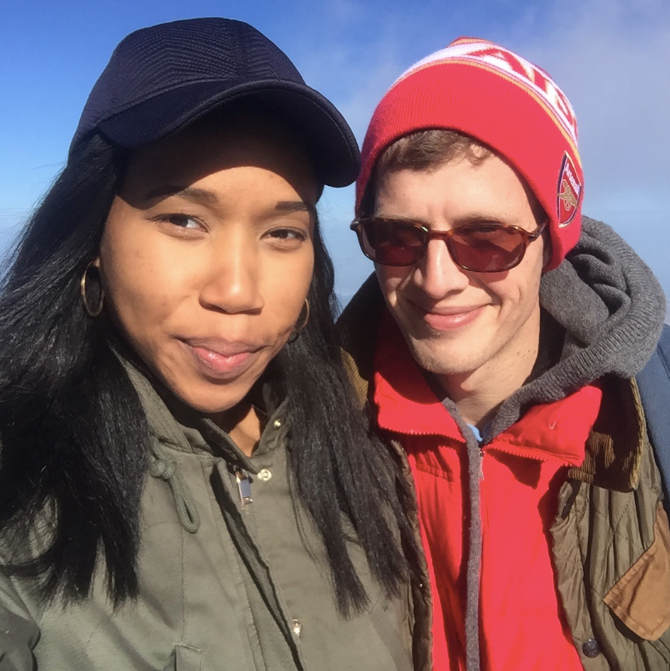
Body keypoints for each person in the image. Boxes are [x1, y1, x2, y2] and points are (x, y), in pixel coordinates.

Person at [0, 18, 424, 671]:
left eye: (282, 232)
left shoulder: (373, 449)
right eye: (184, 219)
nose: (237, 289)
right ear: (91, 237)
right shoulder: (22, 489)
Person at [341, 37, 670, 670]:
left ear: (553, 240)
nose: (436, 279)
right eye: (398, 237)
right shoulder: (302, 426)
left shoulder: (649, 414)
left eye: (487, 238)